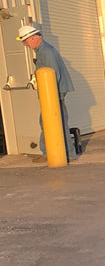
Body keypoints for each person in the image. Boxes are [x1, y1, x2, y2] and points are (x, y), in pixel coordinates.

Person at [17, 23, 77, 162]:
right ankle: (48, 152)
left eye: (25, 41)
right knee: (45, 121)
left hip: (54, 92)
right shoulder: (42, 51)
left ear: (32, 38)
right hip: (51, 92)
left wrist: (49, 93)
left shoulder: (46, 51)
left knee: (59, 121)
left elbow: (52, 74)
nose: (25, 44)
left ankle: (69, 154)